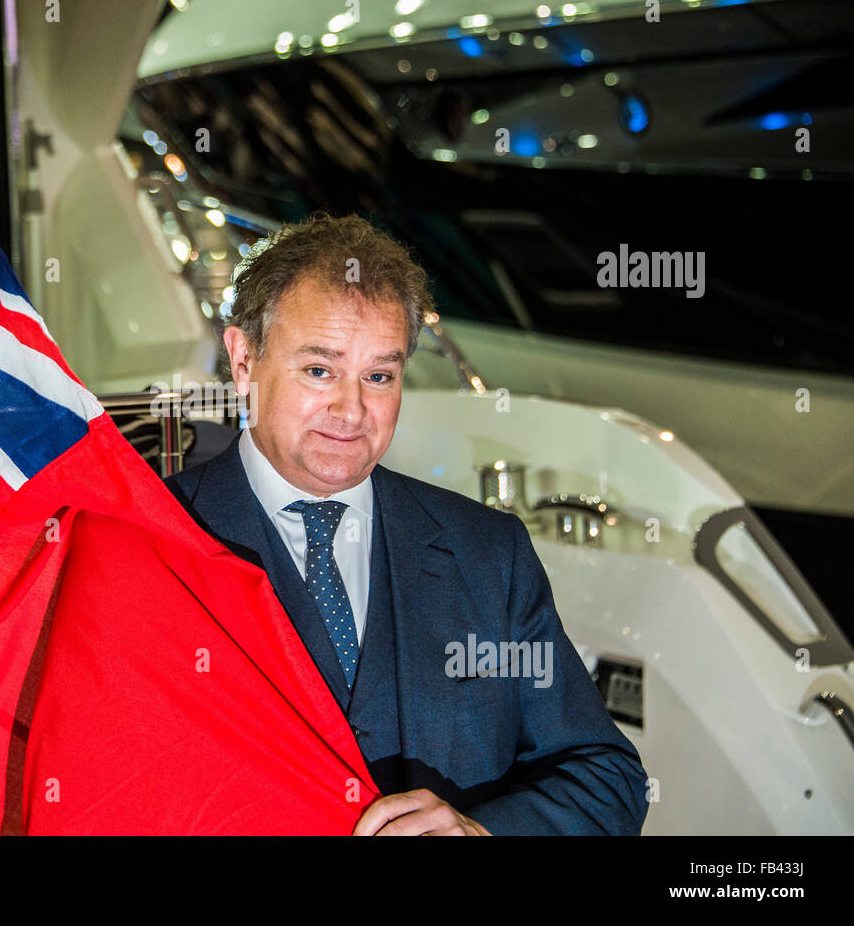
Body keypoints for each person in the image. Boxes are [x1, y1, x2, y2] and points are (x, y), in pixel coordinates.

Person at [167, 213, 649, 835]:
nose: (351, 410)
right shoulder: (155, 543)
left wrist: (484, 833)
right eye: (319, 370)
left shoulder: (487, 552)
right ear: (243, 361)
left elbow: (607, 775)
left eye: (378, 376)